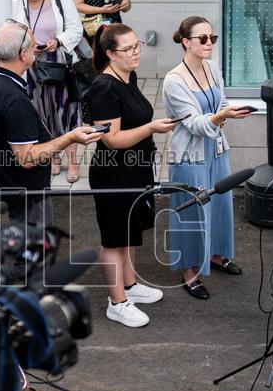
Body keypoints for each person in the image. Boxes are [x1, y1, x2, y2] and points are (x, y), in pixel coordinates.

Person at [84, 24, 174, 328]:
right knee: (114, 237)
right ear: (110, 53)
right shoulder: (104, 87)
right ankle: (116, 301)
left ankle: (130, 286)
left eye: (137, 46)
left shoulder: (129, 76)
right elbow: (111, 139)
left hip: (136, 167)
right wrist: (151, 128)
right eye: (129, 48)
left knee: (131, 230)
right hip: (114, 172)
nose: (136, 52)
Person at [0, 20, 101, 226]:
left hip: (0, 187)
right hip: (24, 196)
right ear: (23, 55)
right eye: (32, 48)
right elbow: (27, 158)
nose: (36, 51)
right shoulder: (12, 98)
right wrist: (70, 137)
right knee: (33, 255)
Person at [163, 17, 252, 300]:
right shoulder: (174, 80)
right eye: (202, 38)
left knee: (221, 205)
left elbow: (220, 103)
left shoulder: (212, 68)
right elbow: (194, 124)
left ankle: (215, 254)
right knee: (193, 211)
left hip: (214, 149)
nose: (209, 43)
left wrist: (227, 113)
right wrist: (220, 118)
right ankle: (189, 273)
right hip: (189, 155)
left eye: (212, 37)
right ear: (185, 42)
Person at [11, 0, 85, 182]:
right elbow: (14, 32)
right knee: (42, 114)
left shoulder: (62, 0)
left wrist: (58, 41)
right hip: (32, 66)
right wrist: (29, 45)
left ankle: (72, 161)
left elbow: (76, 29)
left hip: (60, 62)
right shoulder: (17, 3)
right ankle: (54, 157)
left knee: (67, 112)